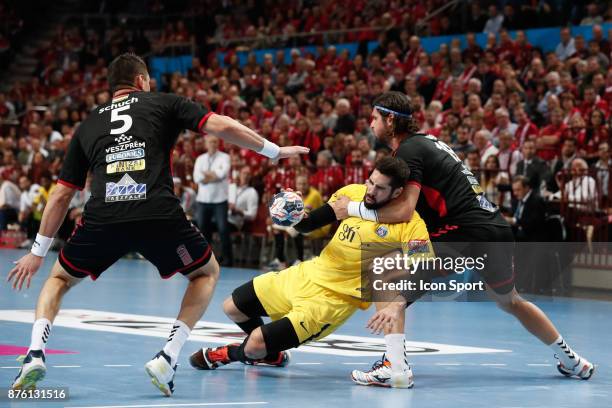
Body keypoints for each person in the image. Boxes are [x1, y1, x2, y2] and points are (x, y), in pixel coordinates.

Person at [7, 53, 309, 396]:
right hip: (157, 213)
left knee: (59, 278)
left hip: (103, 216)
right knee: (205, 273)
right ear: (141, 81)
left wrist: (36, 252)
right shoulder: (164, 102)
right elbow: (222, 125)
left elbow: (62, 195)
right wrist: (274, 151)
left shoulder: (88, 123)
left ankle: (34, 354)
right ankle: (168, 356)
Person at [329, 91, 594, 387]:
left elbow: (404, 211)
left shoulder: (408, 150)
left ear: (390, 120)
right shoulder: (428, 142)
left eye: (375, 117)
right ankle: (574, 361)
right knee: (511, 301)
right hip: (494, 229)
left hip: (465, 232)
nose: (371, 123)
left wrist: (350, 209)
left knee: (385, 275)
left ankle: (395, 367)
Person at [189, 157, 432, 389]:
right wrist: (295, 212)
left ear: (398, 193)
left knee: (254, 344)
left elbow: (425, 271)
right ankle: (271, 356)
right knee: (232, 306)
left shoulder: (411, 225)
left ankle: (230, 354)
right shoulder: (353, 195)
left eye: (380, 188)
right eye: (370, 181)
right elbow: (308, 224)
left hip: (331, 301)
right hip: (307, 273)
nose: (370, 190)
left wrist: (396, 305)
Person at [193, 135, 233, 266]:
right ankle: (206, 260)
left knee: (223, 230)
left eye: (215, 141)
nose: (213, 144)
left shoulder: (225, 157)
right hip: (203, 200)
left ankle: (227, 259)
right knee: (203, 230)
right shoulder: (200, 159)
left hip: (219, 200)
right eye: (210, 141)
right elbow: (196, 178)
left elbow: (222, 174)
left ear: (219, 143)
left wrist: (206, 174)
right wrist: (213, 175)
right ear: (206, 144)